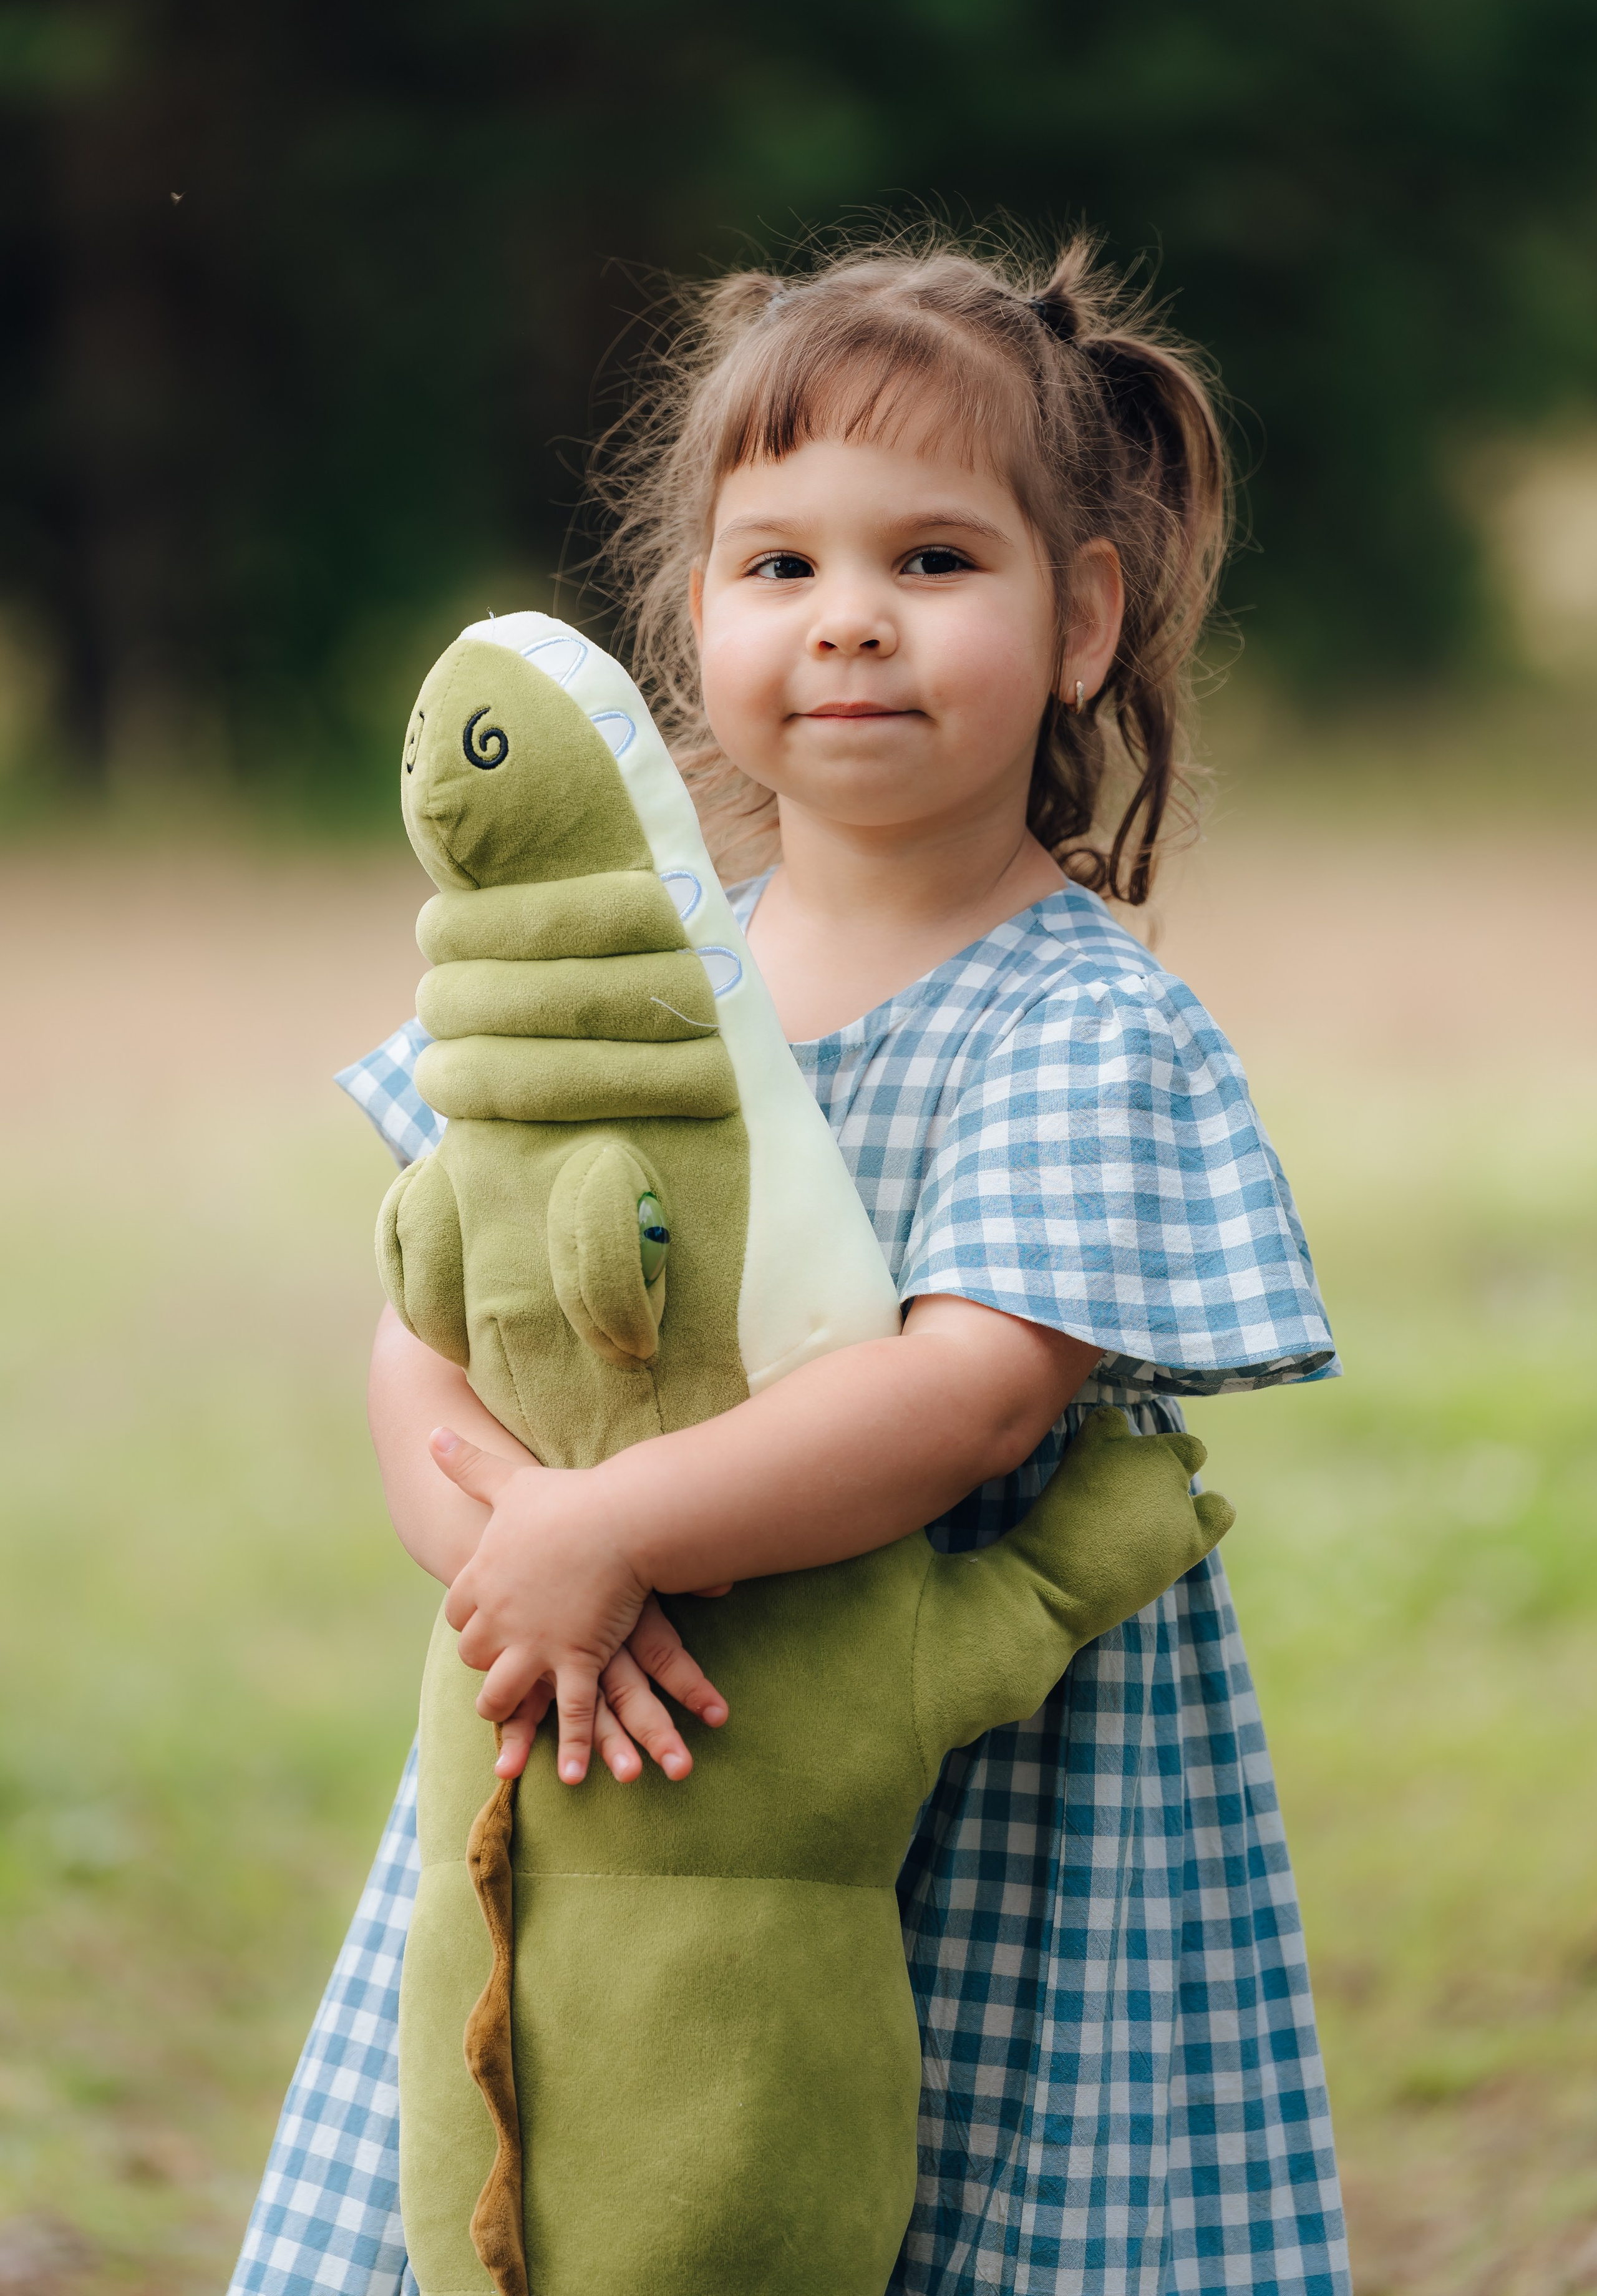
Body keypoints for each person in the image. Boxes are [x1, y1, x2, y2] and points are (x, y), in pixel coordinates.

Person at [230, 233, 1350, 2296]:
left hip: (995, 1804)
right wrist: (512, 1563)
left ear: (1083, 619)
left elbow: (966, 1396)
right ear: (693, 618)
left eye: (935, 562)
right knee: (562, 2170)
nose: (851, 625)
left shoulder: (1077, 1024)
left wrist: (614, 1527)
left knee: (974, 2198)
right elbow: (434, 1315)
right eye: (781, 568)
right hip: (603, 1741)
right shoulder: (624, 976)